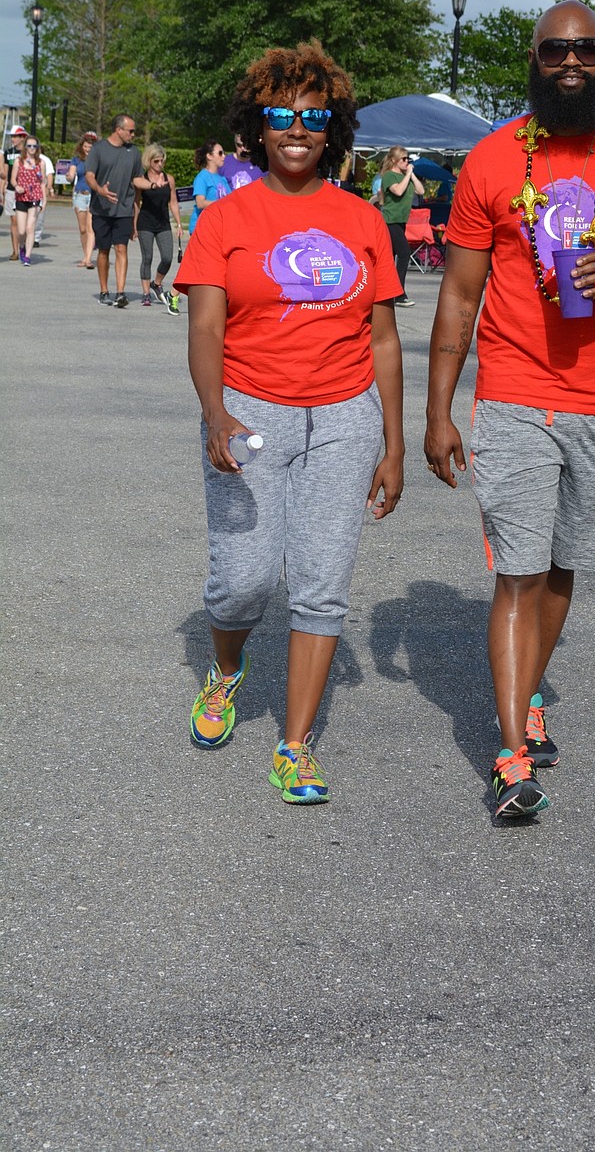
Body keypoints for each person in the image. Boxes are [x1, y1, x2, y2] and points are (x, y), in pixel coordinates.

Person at [424, 0, 595, 819]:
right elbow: (459, 295)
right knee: (518, 572)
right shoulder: (492, 159)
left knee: (561, 568)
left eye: (584, 49)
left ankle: (530, 696)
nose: (571, 62)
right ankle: (511, 757)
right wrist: (436, 412)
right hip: (514, 394)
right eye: (556, 51)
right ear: (535, 59)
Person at [174, 41, 404, 806]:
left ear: (332, 125)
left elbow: (382, 339)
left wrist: (393, 443)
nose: (297, 128)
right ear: (258, 126)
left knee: (321, 582)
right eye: (281, 115)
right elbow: (205, 330)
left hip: (344, 415)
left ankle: (295, 746)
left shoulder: (364, 219)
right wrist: (215, 412)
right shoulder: (226, 217)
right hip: (250, 408)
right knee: (242, 582)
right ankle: (228, 669)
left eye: (313, 116)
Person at [85, 114, 144, 308]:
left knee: (121, 248)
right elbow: (90, 176)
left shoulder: (134, 152)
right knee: (103, 250)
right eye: (131, 131)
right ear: (118, 130)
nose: (133, 135)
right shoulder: (99, 149)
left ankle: (120, 292)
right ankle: (104, 291)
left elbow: (136, 180)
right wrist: (100, 190)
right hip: (102, 209)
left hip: (124, 209)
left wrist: (154, 185)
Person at [133, 142, 182, 311]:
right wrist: (134, 225)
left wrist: (179, 223)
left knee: (167, 258)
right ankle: (146, 293)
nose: (160, 164)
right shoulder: (142, 179)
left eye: (162, 161)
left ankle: (157, 283)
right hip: (145, 223)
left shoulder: (169, 179)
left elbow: (173, 202)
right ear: (149, 161)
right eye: (156, 161)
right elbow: (137, 203)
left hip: (163, 223)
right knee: (147, 258)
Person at [379, 145, 424, 307]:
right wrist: (407, 175)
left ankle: (385, 292)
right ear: (394, 160)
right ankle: (399, 294)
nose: (407, 162)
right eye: (403, 159)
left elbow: (420, 190)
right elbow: (397, 191)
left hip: (401, 221)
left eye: (408, 159)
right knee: (404, 253)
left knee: (389, 258)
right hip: (390, 220)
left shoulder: (406, 177)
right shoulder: (389, 176)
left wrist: (411, 175)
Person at [10, 135, 47, 265]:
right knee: (21, 231)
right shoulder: (18, 161)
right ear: (25, 147)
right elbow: (13, 179)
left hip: (35, 197)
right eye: (29, 146)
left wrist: (44, 199)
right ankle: (22, 246)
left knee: (30, 228)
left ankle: (27, 256)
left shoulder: (41, 163)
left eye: (34, 146)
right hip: (21, 197)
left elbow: (42, 182)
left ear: (37, 148)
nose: (32, 148)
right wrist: (17, 186)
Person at [67, 132, 98, 268]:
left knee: (91, 228)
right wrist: (69, 176)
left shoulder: (98, 160)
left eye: (90, 147)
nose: (87, 149)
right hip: (80, 194)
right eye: (85, 146)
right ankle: (85, 254)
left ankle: (88, 259)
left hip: (93, 196)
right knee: (83, 229)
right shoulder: (76, 160)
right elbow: (72, 173)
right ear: (82, 147)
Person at [188, 140, 231, 234]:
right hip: (201, 228)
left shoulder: (222, 179)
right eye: (220, 153)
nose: (224, 156)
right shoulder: (202, 177)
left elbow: (230, 200)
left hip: (216, 227)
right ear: (209, 156)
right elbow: (200, 203)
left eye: (224, 153)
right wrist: (222, 204)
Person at [3, 126, 29, 259]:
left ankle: (23, 245)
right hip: (11, 190)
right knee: (13, 220)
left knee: (22, 224)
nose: (13, 139)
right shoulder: (8, 153)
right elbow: (6, 173)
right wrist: (2, 190)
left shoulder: (29, 152)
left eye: (15, 136)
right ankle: (15, 251)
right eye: (11, 136)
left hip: (25, 191)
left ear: (22, 137)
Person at [34, 151, 54, 246]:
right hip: (26, 192)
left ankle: (36, 238)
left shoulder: (44, 160)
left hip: (40, 191)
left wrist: (48, 188)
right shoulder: (23, 158)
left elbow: (49, 175)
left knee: (39, 216)